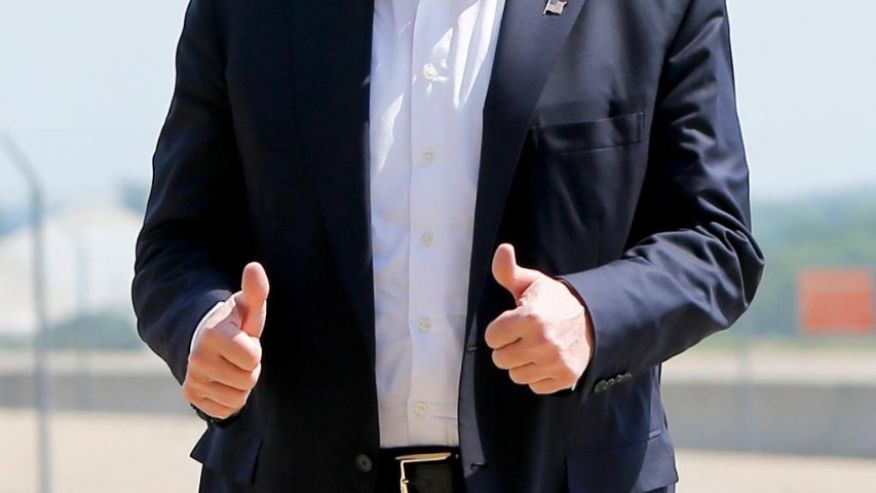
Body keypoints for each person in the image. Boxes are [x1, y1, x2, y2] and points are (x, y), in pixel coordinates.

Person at [132, 0, 764, 491]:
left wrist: (591, 315)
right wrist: (202, 328)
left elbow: (716, 240)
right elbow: (176, 243)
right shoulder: (246, 10)